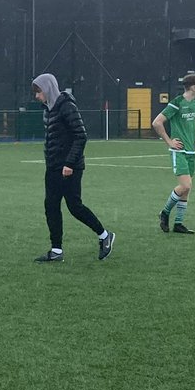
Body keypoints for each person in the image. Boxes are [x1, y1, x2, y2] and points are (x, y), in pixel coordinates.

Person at [31, 73, 114, 262]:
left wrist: (69, 163)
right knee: (51, 206)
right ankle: (56, 251)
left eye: (39, 92)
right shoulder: (47, 109)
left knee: (74, 206)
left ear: (48, 89)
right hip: (52, 167)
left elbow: (80, 136)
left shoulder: (67, 107)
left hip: (70, 168)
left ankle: (104, 235)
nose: (37, 96)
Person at [152, 72, 195, 235]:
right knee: (185, 185)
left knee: (187, 189)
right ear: (194, 87)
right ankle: (165, 212)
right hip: (179, 151)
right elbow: (157, 123)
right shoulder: (176, 103)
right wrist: (169, 141)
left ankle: (178, 224)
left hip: (190, 150)